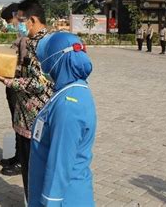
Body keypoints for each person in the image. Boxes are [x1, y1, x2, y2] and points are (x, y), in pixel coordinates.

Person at [0, 0, 54, 200]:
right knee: (35, 171)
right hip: (30, 117)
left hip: (34, 120)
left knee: (33, 173)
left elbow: (38, 83)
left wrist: (6, 80)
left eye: (21, 20)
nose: (18, 24)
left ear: (32, 19)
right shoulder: (45, 41)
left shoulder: (38, 45)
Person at [29, 31, 96, 207]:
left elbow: (61, 163)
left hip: (64, 199)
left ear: (57, 59)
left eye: (46, 59)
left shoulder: (69, 105)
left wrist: (50, 202)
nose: (44, 65)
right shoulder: (70, 90)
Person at [0, 2, 25, 176]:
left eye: (10, 20)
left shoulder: (30, 38)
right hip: (13, 84)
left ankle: (23, 161)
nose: (10, 24)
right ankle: (17, 156)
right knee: (16, 122)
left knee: (22, 122)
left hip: (21, 86)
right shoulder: (21, 37)